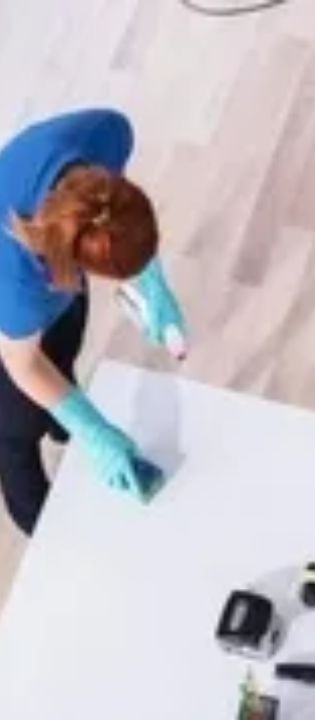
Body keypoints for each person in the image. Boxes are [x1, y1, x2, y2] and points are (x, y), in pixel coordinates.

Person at [0, 109, 186, 535]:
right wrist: (93, 430)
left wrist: (153, 283)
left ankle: (58, 423)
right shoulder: (18, 285)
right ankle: (45, 532)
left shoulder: (108, 135)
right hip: (8, 324)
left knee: (64, 346)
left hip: (51, 277)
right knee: (14, 432)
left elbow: (116, 215)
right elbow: (22, 362)